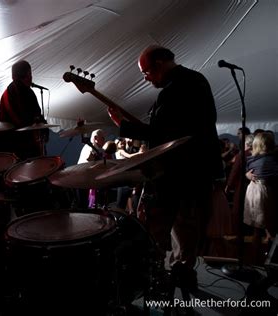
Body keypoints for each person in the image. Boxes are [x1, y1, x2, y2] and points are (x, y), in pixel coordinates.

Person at [107, 45, 223, 291]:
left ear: (159, 63)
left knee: (158, 233)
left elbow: (161, 133)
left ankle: (159, 284)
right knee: (185, 234)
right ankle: (181, 278)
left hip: (177, 176)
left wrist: (123, 125)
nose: (145, 78)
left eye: (145, 72)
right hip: (192, 175)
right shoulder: (195, 80)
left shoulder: (175, 90)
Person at [0, 60, 48, 160]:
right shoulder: (26, 92)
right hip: (21, 149)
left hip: (9, 148)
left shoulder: (8, 92)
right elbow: (29, 119)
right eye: (30, 73)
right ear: (27, 75)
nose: (31, 77)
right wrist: (42, 127)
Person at [244, 132, 278, 243]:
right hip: (263, 191)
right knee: (266, 223)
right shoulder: (271, 160)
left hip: (254, 190)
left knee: (258, 225)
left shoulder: (253, 159)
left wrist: (247, 175)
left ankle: (257, 254)